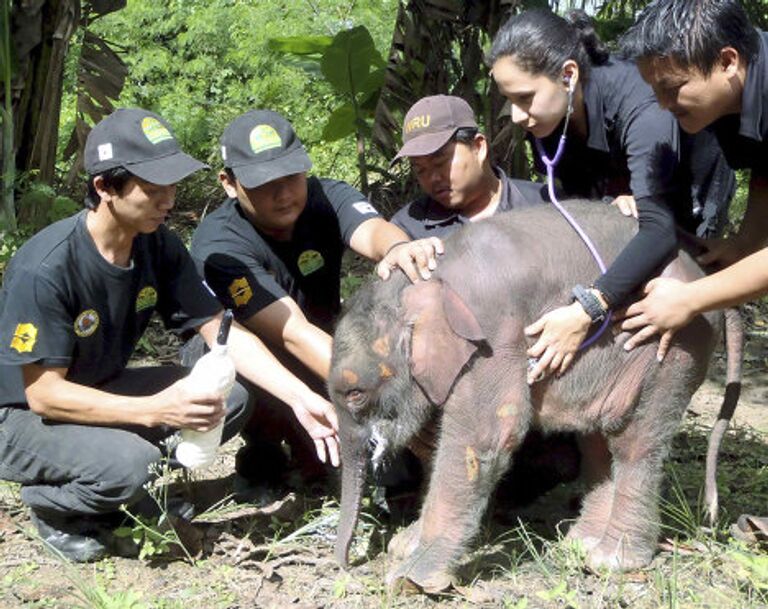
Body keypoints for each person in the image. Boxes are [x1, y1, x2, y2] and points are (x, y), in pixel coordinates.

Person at [0, 108, 339, 563]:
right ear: (104, 188)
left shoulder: (156, 243)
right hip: (20, 416)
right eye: (153, 190)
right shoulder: (47, 269)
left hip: (98, 388)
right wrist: (156, 409)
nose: (169, 200)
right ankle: (56, 504)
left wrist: (302, 397)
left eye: (172, 186)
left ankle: (112, 484)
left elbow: (223, 333)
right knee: (130, 464)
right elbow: (44, 395)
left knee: (232, 396)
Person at [188, 109, 442, 498]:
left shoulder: (326, 196)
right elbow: (292, 333)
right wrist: (381, 392)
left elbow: (371, 230)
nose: (284, 193)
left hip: (323, 347)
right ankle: (264, 450)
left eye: (292, 176)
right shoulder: (219, 245)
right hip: (264, 357)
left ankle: (314, 454)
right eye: (264, 183)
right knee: (234, 375)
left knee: (389, 474)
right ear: (229, 183)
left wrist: (399, 248)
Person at [487, 8, 736, 384]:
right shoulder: (550, 118)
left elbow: (659, 229)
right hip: (622, 187)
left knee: (659, 302)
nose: (517, 116)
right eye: (509, 100)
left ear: (568, 75)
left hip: (688, 194)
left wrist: (587, 308)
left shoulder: (642, 106)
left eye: (524, 98)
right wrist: (608, 208)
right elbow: (572, 209)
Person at [618, 0, 767, 361]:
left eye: (673, 87)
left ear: (728, 61)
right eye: (654, 89)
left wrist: (689, 298)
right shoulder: (732, 100)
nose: (663, 104)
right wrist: (744, 243)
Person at [389, 94, 547, 239]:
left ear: (478, 148)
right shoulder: (407, 230)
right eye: (420, 169)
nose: (433, 178)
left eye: (440, 162)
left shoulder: (546, 204)